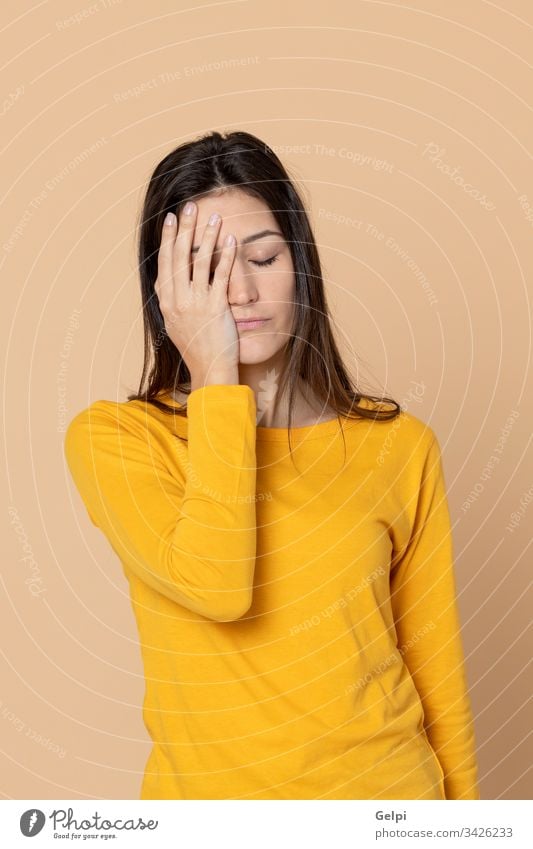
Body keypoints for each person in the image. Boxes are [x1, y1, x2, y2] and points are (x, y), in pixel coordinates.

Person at [64, 130, 480, 800]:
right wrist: (217, 379)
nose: (239, 291)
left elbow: (437, 671)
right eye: (204, 268)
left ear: (301, 262)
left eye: (262, 257)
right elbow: (217, 584)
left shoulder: (399, 444)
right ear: (165, 290)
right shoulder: (117, 440)